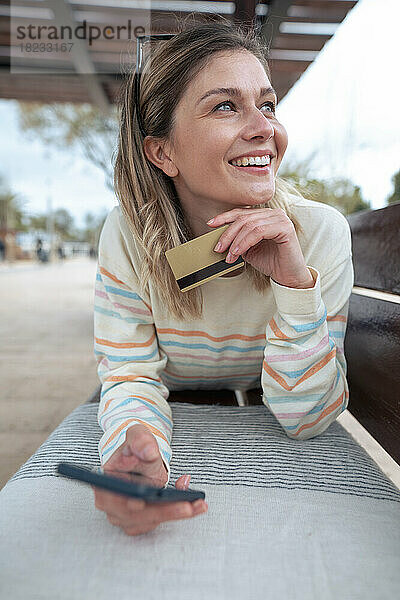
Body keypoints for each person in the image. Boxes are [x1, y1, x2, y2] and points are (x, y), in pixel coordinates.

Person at [92, 16, 353, 537]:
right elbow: (130, 378)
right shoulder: (127, 236)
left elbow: (309, 420)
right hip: (182, 413)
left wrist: (296, 287)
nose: (265, 128)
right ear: (162, 152)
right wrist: (140, 454)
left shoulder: (319, 234)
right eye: (226, 105)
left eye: (268, 104)